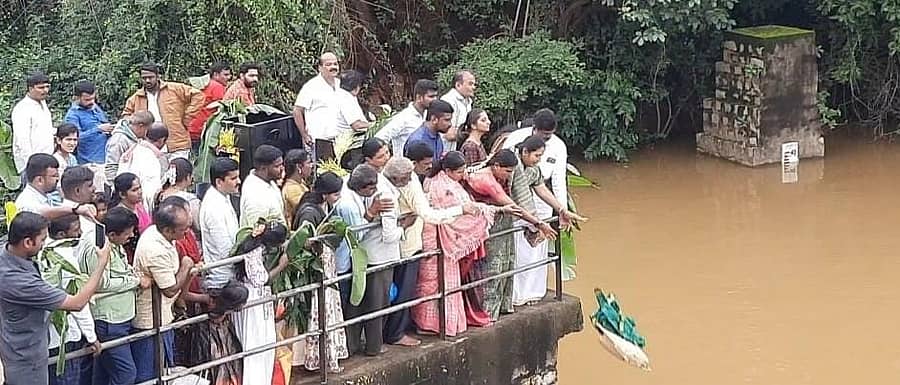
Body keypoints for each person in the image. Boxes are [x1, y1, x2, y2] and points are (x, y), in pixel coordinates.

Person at [0, 212, 110, 385]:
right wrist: (102, 263)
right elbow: (77, 303)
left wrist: (75, 209)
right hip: (27, 360)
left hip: (22, 348)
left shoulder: (7, 249)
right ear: (28, 242)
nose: (45, 244)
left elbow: (37, 214)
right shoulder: (19, 282)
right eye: (43, 240)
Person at [380, 156, 474, 346]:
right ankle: (395, 333)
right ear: (397, 178)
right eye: (407, 175)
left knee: (397, 291)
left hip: (404, 244)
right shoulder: (402, 187)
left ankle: (395, 330)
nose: (411, 177)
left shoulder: (397, 180)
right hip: (407, 246)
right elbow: (430, 215)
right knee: (403, 292)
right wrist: (461, 210)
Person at [411, 152, 500, 336]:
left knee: (436, 283)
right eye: (460, 172)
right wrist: (485, 212)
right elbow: (457, 216)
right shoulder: (442, 187)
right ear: (448, 170)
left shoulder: (440, 181)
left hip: (436, 237)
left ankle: (435, 323)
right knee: (433, 283)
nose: (463, 175)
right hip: (437, 239)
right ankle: (433, 324)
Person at [463, 149, 551, 320]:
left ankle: (503, 306)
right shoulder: (487, 180)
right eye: (508, 171)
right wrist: (538, 223)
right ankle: (487, 312)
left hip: (502, 224)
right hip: (486, 227)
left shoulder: (496, 175)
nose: (510, 176)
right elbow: (513, 206)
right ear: (496, 166)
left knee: (507, 263)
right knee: (492, 268)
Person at [507, 135, 585, 306]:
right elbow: (516, 195)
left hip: (528, 217)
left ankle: (531, 293)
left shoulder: (533, 169)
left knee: (533, 257)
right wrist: (537, 223)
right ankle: (515, 296)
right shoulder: (513, 166)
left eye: (541, 156)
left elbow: (542, 190)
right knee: (518, 258)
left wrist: (562, 210)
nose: (539, 160)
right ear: (525, 152)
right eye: (536, 156)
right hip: (511, 217)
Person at [334, 164, 401, 356]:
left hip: (358, 259)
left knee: (357, 303)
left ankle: (352, 346)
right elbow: (358, 235)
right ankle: (370, 347)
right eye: (372, 189)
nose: (375, 193)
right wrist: (373, 212)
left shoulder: (352, 189)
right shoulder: (349, 204)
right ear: (363, 187)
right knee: (372, 305)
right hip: (352, 260)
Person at [79, 207, 149, 385]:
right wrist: (135, 281)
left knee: (103, 375)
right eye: (127, 233)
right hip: (109, 321)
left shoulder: (112, 243)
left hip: (119, 318)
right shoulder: (98, 247)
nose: (132, 236)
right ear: (112, 234)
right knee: (126, 374)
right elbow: (101, 283)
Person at [131, 197, 197, 382]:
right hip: (151, 320)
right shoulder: (155, 249)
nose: (186, 234)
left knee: (162, 368)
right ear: (168, 230)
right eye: (183, 230)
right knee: (150, 372)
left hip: (163, 314)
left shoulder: (160, 233)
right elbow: (169, 289)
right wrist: (186, 266)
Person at [292, 173, 349, 372]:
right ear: (324, 194)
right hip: (315, 269)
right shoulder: (309, 212)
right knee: (316, 312)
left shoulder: (322, 207)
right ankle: (315, 358)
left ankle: (327, 354)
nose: (338, 197)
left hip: (326, 267)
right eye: (335, 194)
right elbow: (304, 241)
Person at [231, 220, 290, 385]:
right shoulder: (254, 252)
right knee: (257, 345)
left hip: (254, 297)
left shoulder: (254, 244)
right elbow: (261, 279)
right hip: (254, 300)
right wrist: (281, 266)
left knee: (261, 343)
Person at [41, 215, 98, 385]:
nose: (80, 233)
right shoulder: (64, 257)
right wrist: (91, 336)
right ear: (60, 234)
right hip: (65, 336)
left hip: (47, 337)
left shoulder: (41, 252)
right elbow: (77, 301)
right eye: (75, 230)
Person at [121, 62, 204, 160]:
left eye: (150, 77)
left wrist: (187, 117)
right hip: (150, 146)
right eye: (144, 78)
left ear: (158, 76)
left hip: (176, 143)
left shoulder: (174, 89)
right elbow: (126, 118)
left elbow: (198, 95)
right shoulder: (136, 98)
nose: (147, 80)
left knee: (178, 173)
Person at [200, 158, 241, 291]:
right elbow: (225, 250)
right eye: (233, 178)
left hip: (230, 274)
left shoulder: (224, 195)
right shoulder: (213, 207)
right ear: (219, 182)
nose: (238, 182)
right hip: (222, 280)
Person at [15, 154, 96, 219]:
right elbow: (41, 213)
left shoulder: (45, 195)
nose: (58, 179)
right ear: (39, 180)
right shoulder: (26, 201)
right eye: (54, 176)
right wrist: (76, 209)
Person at [293, 52, 341, 161]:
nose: (333, 67)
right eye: (328, 64)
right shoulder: (311, 87)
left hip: (340, 139)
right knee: (320, 172)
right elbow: (297, 111)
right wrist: (304, 135)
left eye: (335, 64)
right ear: (320, 68)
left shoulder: (341, 84)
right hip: (319, 140)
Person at [376, 79, 438, 157]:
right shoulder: (403, 118)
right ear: (419, 97)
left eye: (436, 96)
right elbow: (380, 138)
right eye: (431, 96)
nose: (435, 99)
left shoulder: (429, 116)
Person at [117, 123, 169, 208]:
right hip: (141, 204)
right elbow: (152, 191)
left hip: (123, 201)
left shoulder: (130, 151)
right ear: (162, 140)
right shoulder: (153, 157)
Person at [12, 72, 54, 174]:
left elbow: (44, 129)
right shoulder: (22, 108)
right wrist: (32, 165)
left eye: (47, 87)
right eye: (41, 88)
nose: (45, 90)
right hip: (31, 165)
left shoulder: (43, 103)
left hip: (47, 161)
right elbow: (22, 141)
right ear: (30, 89)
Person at [64, 80, 113, 164]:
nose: (91, 102)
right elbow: (75, 138)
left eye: (93, 98)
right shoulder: (72, 115)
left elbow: (103, 123)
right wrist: (98, 129)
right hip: (89, 161)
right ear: (77, 98)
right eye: (87, 100)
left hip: (106, 156)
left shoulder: (94, 107)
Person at [240, 144, 286, 227]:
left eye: (282, 164)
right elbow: (259, 232)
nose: (282, 169)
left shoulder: (269, 181)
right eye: (277, 166)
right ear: (263, 168)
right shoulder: (255, 195)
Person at [188, 63, 231, 144]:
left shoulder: (205, 84)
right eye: (225, 75)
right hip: (201, 130)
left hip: (192, 128)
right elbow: (223, 109)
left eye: (229, 75)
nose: (229, 77)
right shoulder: (217, 87)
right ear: (215, 75)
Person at [105, 111, 153, 183]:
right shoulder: (118, 141)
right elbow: (111, 168)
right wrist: (116, 188)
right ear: (141, 126)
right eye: (147, 130)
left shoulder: (136, 137)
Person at [439, 70, 476, 151]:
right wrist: (474, 133)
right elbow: (449, 134)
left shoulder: (468, 102)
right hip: (445, 151)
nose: (474, 87)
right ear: (458, 85)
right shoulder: (448, 100)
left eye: (474, 84)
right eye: (470, 84)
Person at [282, 149, 312, 229]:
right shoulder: (292, 189)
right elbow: (307, 210)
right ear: (299, 166)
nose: (311, 166)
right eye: (309, 163)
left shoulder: (300, 182)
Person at [334, 70, 370, 137]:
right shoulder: (346, 99)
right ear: (357, 87)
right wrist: (375, 125)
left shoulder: (342, 94)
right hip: (346, 140)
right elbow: (356, 125)